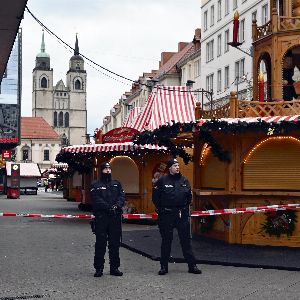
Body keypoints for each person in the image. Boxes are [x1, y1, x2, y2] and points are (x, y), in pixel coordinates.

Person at [152, 158, 201, 275]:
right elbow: (155, 198)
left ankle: (192, 265)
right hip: (167, 215)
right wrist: (161, 210)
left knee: (186, 241)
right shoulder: (162, 181)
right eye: (175, 166)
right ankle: (164, 266)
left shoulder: (184, 180)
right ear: (169, 168)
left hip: (181, 215)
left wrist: (184, 207)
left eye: (178, 165)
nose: (177, 167)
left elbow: (189, 197)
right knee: (166, 241)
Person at [90, 162, 125, 278]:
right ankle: (99, 268)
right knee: (100, 244)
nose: (108, 171)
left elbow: (121, 197)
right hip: (102, 217)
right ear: (101, 171)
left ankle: (114, 267)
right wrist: (108, 207)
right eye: (105, 169)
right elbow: (96, 199)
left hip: (115, 217)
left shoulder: (116, 184)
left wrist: (116, 206)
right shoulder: (96, 185)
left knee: (115, 244)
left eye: (109, 169)